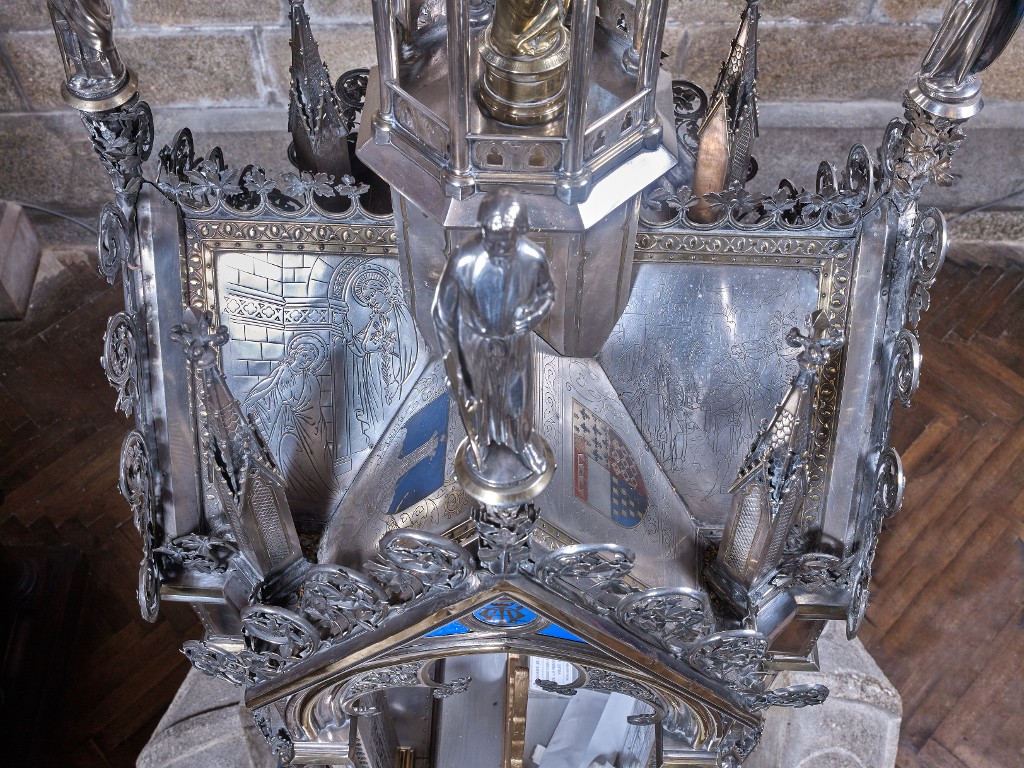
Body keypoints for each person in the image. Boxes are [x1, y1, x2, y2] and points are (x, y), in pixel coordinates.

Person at [432, 189, 555, 477]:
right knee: (477, 399)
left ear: (519, 231)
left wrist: (533, 315)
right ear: (483, 229)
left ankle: (521, 442)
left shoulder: (532, 257)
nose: (498, 245)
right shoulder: (463, 259)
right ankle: (480, 443)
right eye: (491, 237)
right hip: (474, 342)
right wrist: (453, 363)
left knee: (517, 399)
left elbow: (547, 294)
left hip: (515, 343)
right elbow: (442, 313)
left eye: (506, 239)